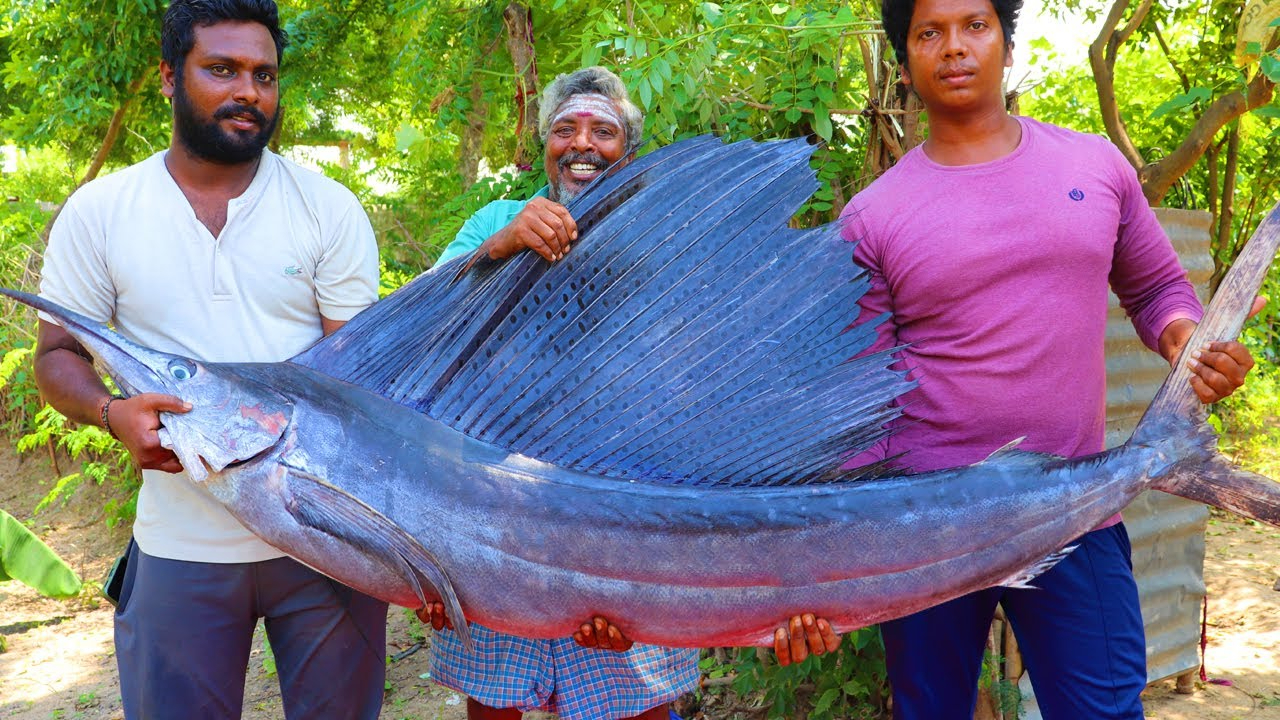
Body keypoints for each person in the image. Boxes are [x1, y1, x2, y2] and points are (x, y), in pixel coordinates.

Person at [823, 0, 1261, 716]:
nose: (955, 48)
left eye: (975, 25)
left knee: (1105, 710)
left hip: (1074, 508)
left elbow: (1156, 288)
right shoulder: (871, 216)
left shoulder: (1093, 163)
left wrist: (1190, 344)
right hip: (930, 526)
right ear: (905, 63)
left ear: (1006, 38)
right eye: (929, 33)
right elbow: (860, 399)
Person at [420, 66, 839, 720]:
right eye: (565, 129)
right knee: (493, 705)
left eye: (603, 131)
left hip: (633, 536)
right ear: (544, 145)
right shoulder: (497, 221)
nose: (581, 143)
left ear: (629, 151)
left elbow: (722, 385)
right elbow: (416, 326)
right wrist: (499, 249)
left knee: (633, 703)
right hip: (499, 533)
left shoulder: (669, 238)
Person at [32, 1, 385, 718]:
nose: (248, 92)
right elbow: (57, 354)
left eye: (263, 74)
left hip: (326, 544)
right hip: (179, 545)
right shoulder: (102, 210)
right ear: (169, 76)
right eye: (221, 69)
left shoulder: (328, 207)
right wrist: (111, 413)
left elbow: (360, 383)